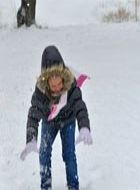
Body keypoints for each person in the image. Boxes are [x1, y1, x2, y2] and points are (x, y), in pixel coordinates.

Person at [20, 45, 93, 190]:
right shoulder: (40, 92)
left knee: (69, 154)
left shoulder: (71, 85)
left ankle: (73, 185)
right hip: (50, 121)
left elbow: (79, 105)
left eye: (59, 84)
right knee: (44, 153)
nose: (57, 88)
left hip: (68, 120)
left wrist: (84, 127)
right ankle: (45, 185)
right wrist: (31, 138)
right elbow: (33, 115)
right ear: (46, 82)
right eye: (53, 86)